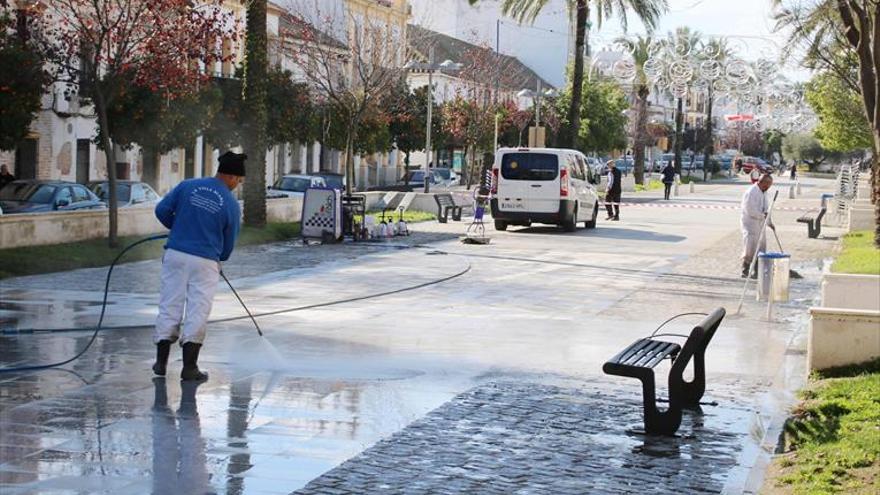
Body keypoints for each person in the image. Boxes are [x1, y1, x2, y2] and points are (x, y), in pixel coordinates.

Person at [152, 151, 245, 381]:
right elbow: (228, 245)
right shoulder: (231, 204)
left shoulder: (187, 185)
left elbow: (161, 210)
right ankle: (189, 367)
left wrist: (180, 228)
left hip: (175, 254)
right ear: (232, 177)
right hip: (204, 261)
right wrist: (219, 257)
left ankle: (161, 363)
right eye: (239, 180)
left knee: (169, 304)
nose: (238, 185)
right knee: (197, 309)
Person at [740, 174, 775, 278]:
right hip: (750, 223)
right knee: (750, 247)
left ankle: (757, 270)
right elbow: (750, 210)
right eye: (767, 184)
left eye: (770, 184)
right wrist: (761, 215)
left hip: (760, 224)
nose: (768, 186)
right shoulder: (751, 192)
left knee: (761, 246)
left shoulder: (764, 193)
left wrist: (769, 222)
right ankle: (745, 269)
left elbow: (766, 209)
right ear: (761, 182)